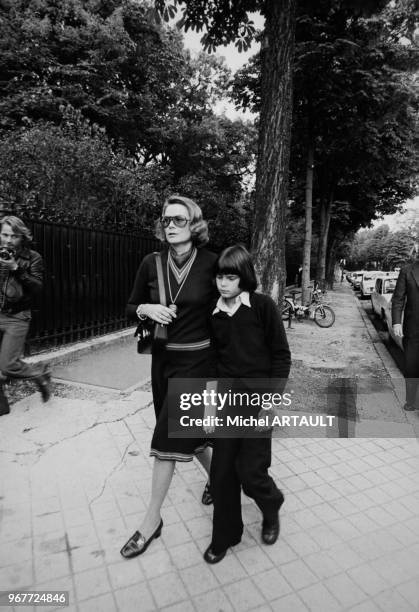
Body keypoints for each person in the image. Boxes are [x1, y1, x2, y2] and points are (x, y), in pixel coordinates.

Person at [120, 195, 217, 558]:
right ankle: (219, 480)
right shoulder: (151, 263)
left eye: (178, 219)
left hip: (200, 365)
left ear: (194, 224)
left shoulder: (212, 263)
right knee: (195, 439)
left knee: (167, 439)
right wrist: (146, 308)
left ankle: (151, 521)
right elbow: (130, 307)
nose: (170, 225)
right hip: (162, 364)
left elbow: (234, 308)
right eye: (166, 220)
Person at [203, 244, 291, 564]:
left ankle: (271, 506)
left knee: (251, 472)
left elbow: (281, 356)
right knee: (223, 472)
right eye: (219, 277)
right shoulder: (214, 314)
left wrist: (270, 402)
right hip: (228, 401)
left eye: (230, 277)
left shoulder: (262, 307)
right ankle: (225, 535)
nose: (223, 283)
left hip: (258, 401)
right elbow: (213, 364)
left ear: (244, 277)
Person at [0, 216, 51, 416]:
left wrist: (16, 268)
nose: (8, 240)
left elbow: (38, 288)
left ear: (22, 237)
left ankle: (40, 372)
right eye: (4, 234)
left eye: (14, 236)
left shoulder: (33, 258)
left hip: (17, 316)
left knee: (8, 364)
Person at [392, 244, 419, 411]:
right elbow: (398, 299)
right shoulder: (407, 271)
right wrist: (396, 322)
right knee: (411, 367)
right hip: (413, 330)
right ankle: (411, 401)